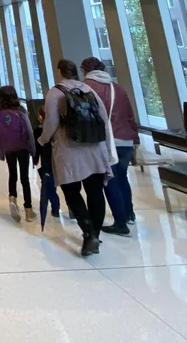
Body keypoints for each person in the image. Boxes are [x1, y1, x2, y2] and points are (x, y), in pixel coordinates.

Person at [38, 58, 113, 256]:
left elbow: (51, 122)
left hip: (69, 149)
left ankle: (88, 231)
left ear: (59, 72)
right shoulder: (89, 90)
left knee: (71, 191)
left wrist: (42, 140)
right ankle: (95, 233)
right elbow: (103, 120)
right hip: (94, 147)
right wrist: (106, 148)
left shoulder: (55, 92)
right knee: (95, 192)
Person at [81, 56, 140, 236]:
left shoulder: (86, 88)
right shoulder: (118, 88)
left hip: (106, 141)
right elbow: (130, 115)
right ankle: (129, 213)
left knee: (109, 180)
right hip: (125, 140)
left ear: (85, 70)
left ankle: (120, 223)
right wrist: (135, 138)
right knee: (122, 178)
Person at [0, 86, 35, 222]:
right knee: (25, 178)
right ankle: (28, 210)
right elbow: (29, 131)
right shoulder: (21, 111)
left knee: (13, 175)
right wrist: (33, 150)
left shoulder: (0, 113)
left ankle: (12, 199)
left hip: (9, 149)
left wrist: (1, 152)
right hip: (22, 148)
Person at [34, 106, 61, 218]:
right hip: (59, 161)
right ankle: (70, 208)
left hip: (47, 162)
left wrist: (35, 159)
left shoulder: (38, 131)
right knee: (67, 186)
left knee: (49, 185)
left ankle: (55, 207)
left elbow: (37, 147)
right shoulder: (59, 128)